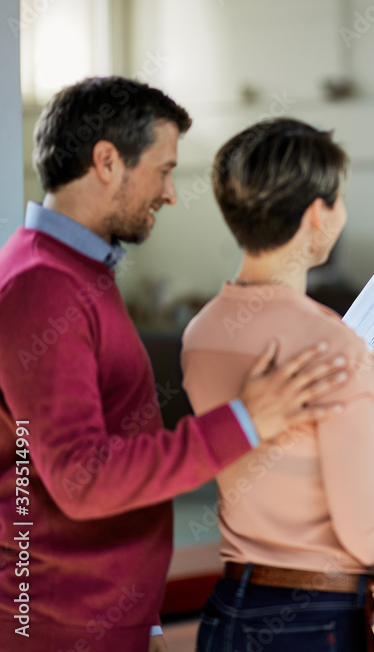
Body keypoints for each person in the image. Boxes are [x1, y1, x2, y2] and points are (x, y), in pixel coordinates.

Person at [0, 78, 347, 652]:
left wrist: (144, 613)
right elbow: (82, 479)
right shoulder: (43, 285)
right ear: (107, 162)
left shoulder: (78, 272)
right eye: (163, 171)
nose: (170, 193)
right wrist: (244, 421)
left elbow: (108, 449)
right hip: (56, 624)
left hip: (103, 614)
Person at [180, 117, 374, 652]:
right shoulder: (328, 343)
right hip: (314, 622)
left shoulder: (203, 333)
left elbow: (291, 432)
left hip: (232, 610)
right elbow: (371, 535)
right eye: (340, 199)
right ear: (316, 215)